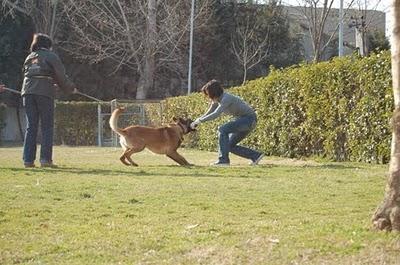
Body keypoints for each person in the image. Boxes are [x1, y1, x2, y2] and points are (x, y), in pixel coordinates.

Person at [21, 33, 78, 168]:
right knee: (47, 126)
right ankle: (45, 160)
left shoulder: (30, 57)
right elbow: (61, 75)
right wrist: (71, 89)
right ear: (48, 45)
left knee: (31, 126)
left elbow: (28, 73)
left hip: (27, 92)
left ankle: (28, 160)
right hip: (44, 93)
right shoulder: (51, 56)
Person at [191, 79, 264, 166]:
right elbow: (209, 112)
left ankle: (223, 161)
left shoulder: (226, 98)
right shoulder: (217, 100)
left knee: (222, 129)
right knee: (228, 145)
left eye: (208, 94)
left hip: (249, 120)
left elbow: (216, 114)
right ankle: (256, 156)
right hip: (243, 120)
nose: (208, 97)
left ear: (214, 92)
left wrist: (199, 121)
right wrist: (197, 120)